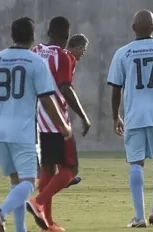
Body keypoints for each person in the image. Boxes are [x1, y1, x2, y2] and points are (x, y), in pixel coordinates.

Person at [107, 9, 153, 228]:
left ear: (133, 28)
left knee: (136, 162)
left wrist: (115, 116)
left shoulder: (123, 53)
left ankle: (139, 217)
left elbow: (115, 89)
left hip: (134, 115)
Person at [0, 17, 72, 232]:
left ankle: (21, 230)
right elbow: (47, 100)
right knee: (30, 182)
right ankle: (1, 213)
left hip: (1, 131)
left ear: (12, 36)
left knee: (16, 181)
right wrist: (63, 126)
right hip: (23, 132)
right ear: (33, 37)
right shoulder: (35, 61)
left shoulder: (0, 58)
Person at [27, 16, 91, 232]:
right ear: (65, 36)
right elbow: (65, 88)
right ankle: (38, 201)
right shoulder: (63, 56)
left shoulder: (34, 52)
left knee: (48, 169)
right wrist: (83, 116)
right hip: (56, 122)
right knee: (71, 168)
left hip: (36, 121)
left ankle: (47, 222)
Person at [63, 33, 90, 188]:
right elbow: (66, 86)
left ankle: (63, 175)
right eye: (83, 50)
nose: (84, 53)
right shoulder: (69, 58)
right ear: (78, 47)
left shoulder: (61, 55)